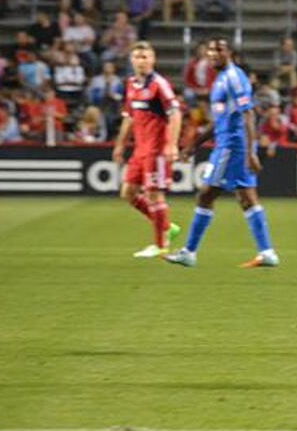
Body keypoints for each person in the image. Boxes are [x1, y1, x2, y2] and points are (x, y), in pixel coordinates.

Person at [165, 39, 280, 269]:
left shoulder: (234, 78)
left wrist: (250, 152)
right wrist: (194, 145)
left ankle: (189, 252)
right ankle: (267, 252)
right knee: (246, 197)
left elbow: (248, 115)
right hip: (227, 144)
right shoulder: (220, 80)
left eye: (220, 50)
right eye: (210, 50)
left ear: (230, 54)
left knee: (206, 194)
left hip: (232, 146)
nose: (214, 54)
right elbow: (219, 120)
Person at [112, 42, 182, 258]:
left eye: (145, 57)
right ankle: (167, 226)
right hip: (139, 150)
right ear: (131, 60)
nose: (141, 61)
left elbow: (175, 113)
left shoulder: (159, 84)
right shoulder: (131, 84)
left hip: (157, 149)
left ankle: (160, 245)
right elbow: (129, 117)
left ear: (153, 60)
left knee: (154, 195)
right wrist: (120, 144)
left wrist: (172, 144)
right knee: (128, 193)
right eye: (137, 57)